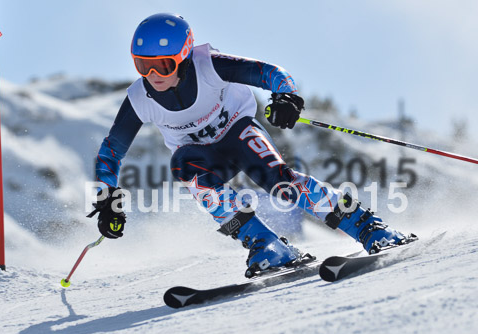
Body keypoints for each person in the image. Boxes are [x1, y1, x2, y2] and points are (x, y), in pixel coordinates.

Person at [89, 13, 413, 276]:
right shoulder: (139, 98)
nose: (153, 75)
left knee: (281, 184)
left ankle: (366, 225)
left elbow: (271, 72)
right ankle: (267, 244)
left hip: (238, 133)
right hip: (201, 155)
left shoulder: (209, 64)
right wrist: (107, 198)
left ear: (184, 57)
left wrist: (286, 95)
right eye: (142, 66)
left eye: (163, 65)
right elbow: (111, 150)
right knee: (186, 168)